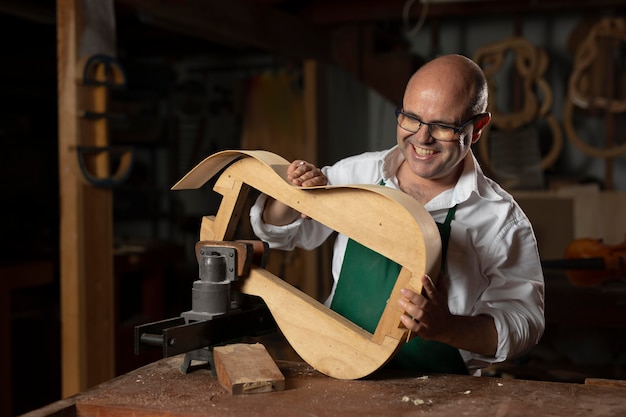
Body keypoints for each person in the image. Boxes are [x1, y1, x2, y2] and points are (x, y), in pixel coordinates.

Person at [249, 54, 545, 376]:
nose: (421, 137)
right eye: (411, 118)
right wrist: (292, 196)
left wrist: (447, 328)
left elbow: (523, 323)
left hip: (438, 391)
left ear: (476, 129)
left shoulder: (500, 218)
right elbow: (280, 232)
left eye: (443, 126)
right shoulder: (357, 173)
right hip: (335, 369)